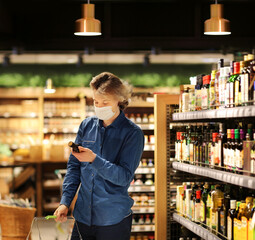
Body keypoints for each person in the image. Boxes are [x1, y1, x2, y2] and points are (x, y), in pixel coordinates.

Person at [54, 72, 144, 240]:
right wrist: (65, 202)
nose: (99, 106)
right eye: (96, 102)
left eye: (105, 102)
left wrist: (94, 160)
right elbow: (74, 168)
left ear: (119, 99)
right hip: (82, 217)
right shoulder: (86, 126)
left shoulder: (133, 134)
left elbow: (124, 177)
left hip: (113, 219)